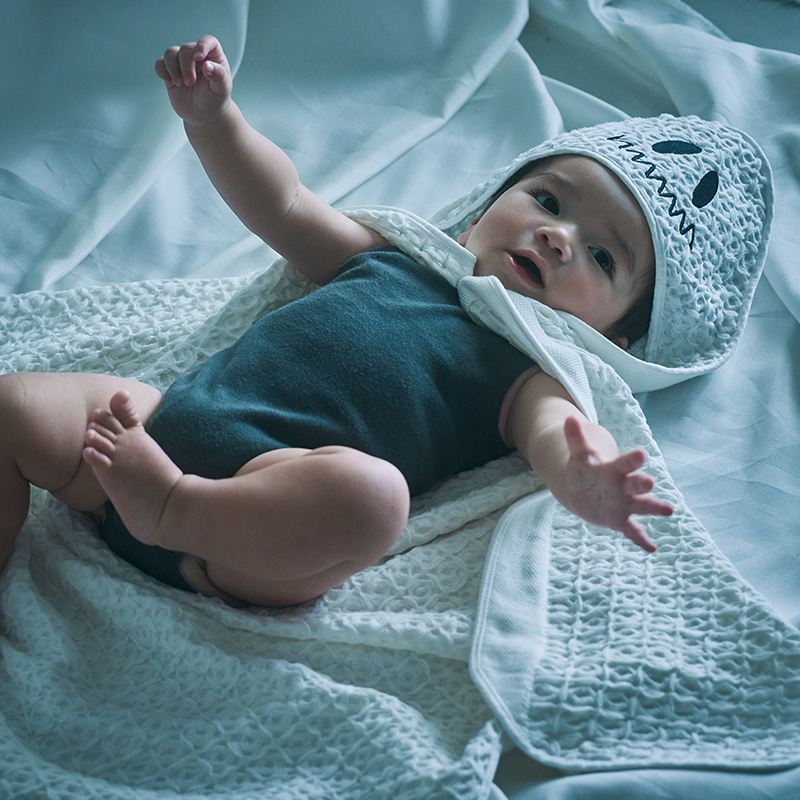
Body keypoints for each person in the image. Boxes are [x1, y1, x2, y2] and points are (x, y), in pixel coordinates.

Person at [3, 34, 720, 609]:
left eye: (602, 256)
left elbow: (558, 433)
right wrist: (215, 122)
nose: (558, 237)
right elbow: (285, 204)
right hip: (153, 431)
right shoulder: (394, 257)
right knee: (12, 405)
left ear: (611, 339)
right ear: (478, 215)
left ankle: (174, 508)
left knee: (373, 499)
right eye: (549, 201)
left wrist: (584, 472)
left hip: (254, 521)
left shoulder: (527, 370)